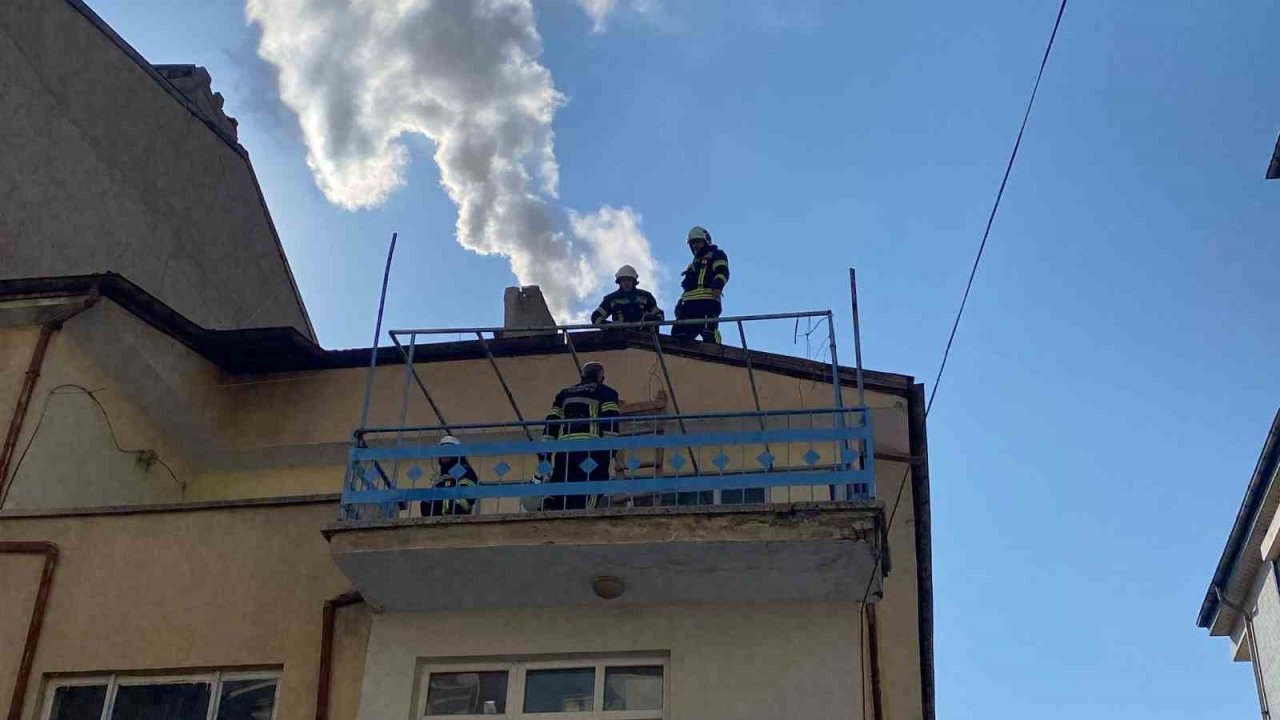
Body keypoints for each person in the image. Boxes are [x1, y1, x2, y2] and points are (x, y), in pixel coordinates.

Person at [540, 361, 621, 510]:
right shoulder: (606, 392)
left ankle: (555, 508)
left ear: (582, 375)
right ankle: (583, 519)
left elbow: (551, 423)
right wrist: (609, 452)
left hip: (564, 452)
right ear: (602, 377)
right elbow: (610, 422)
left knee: (563, 486)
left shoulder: (564, 393)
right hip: (591, 451)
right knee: (592, 486)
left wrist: (545, 455)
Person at [672, 226, 729, 343]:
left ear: (706, 241)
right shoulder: (692, 265)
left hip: (708, 301)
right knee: (678, 335)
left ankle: (717, 354)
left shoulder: (716, 254)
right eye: (692, 244)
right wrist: (680, 303)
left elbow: (722, 271)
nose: (694, 246)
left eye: (697, 242)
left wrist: (718, 286)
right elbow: (687, 287)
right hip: (689, 304)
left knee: (709, 335)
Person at [419, 436, 479, 517]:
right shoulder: (443, 476)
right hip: (438, 524)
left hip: (456, 521)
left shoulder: (463, 471)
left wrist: (453, 514)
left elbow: (466, 497)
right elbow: (428, 504)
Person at [590, 265, 665, 326]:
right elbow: (596, 317)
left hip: (645, 336)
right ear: (619, 282)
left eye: (629, 280)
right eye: (623, 280)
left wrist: (651, 321)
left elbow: (659, 314)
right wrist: (612, 326)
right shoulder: (611, 299)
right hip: (621, 337)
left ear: (633, 281)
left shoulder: (645, 297)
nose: (626, 283)